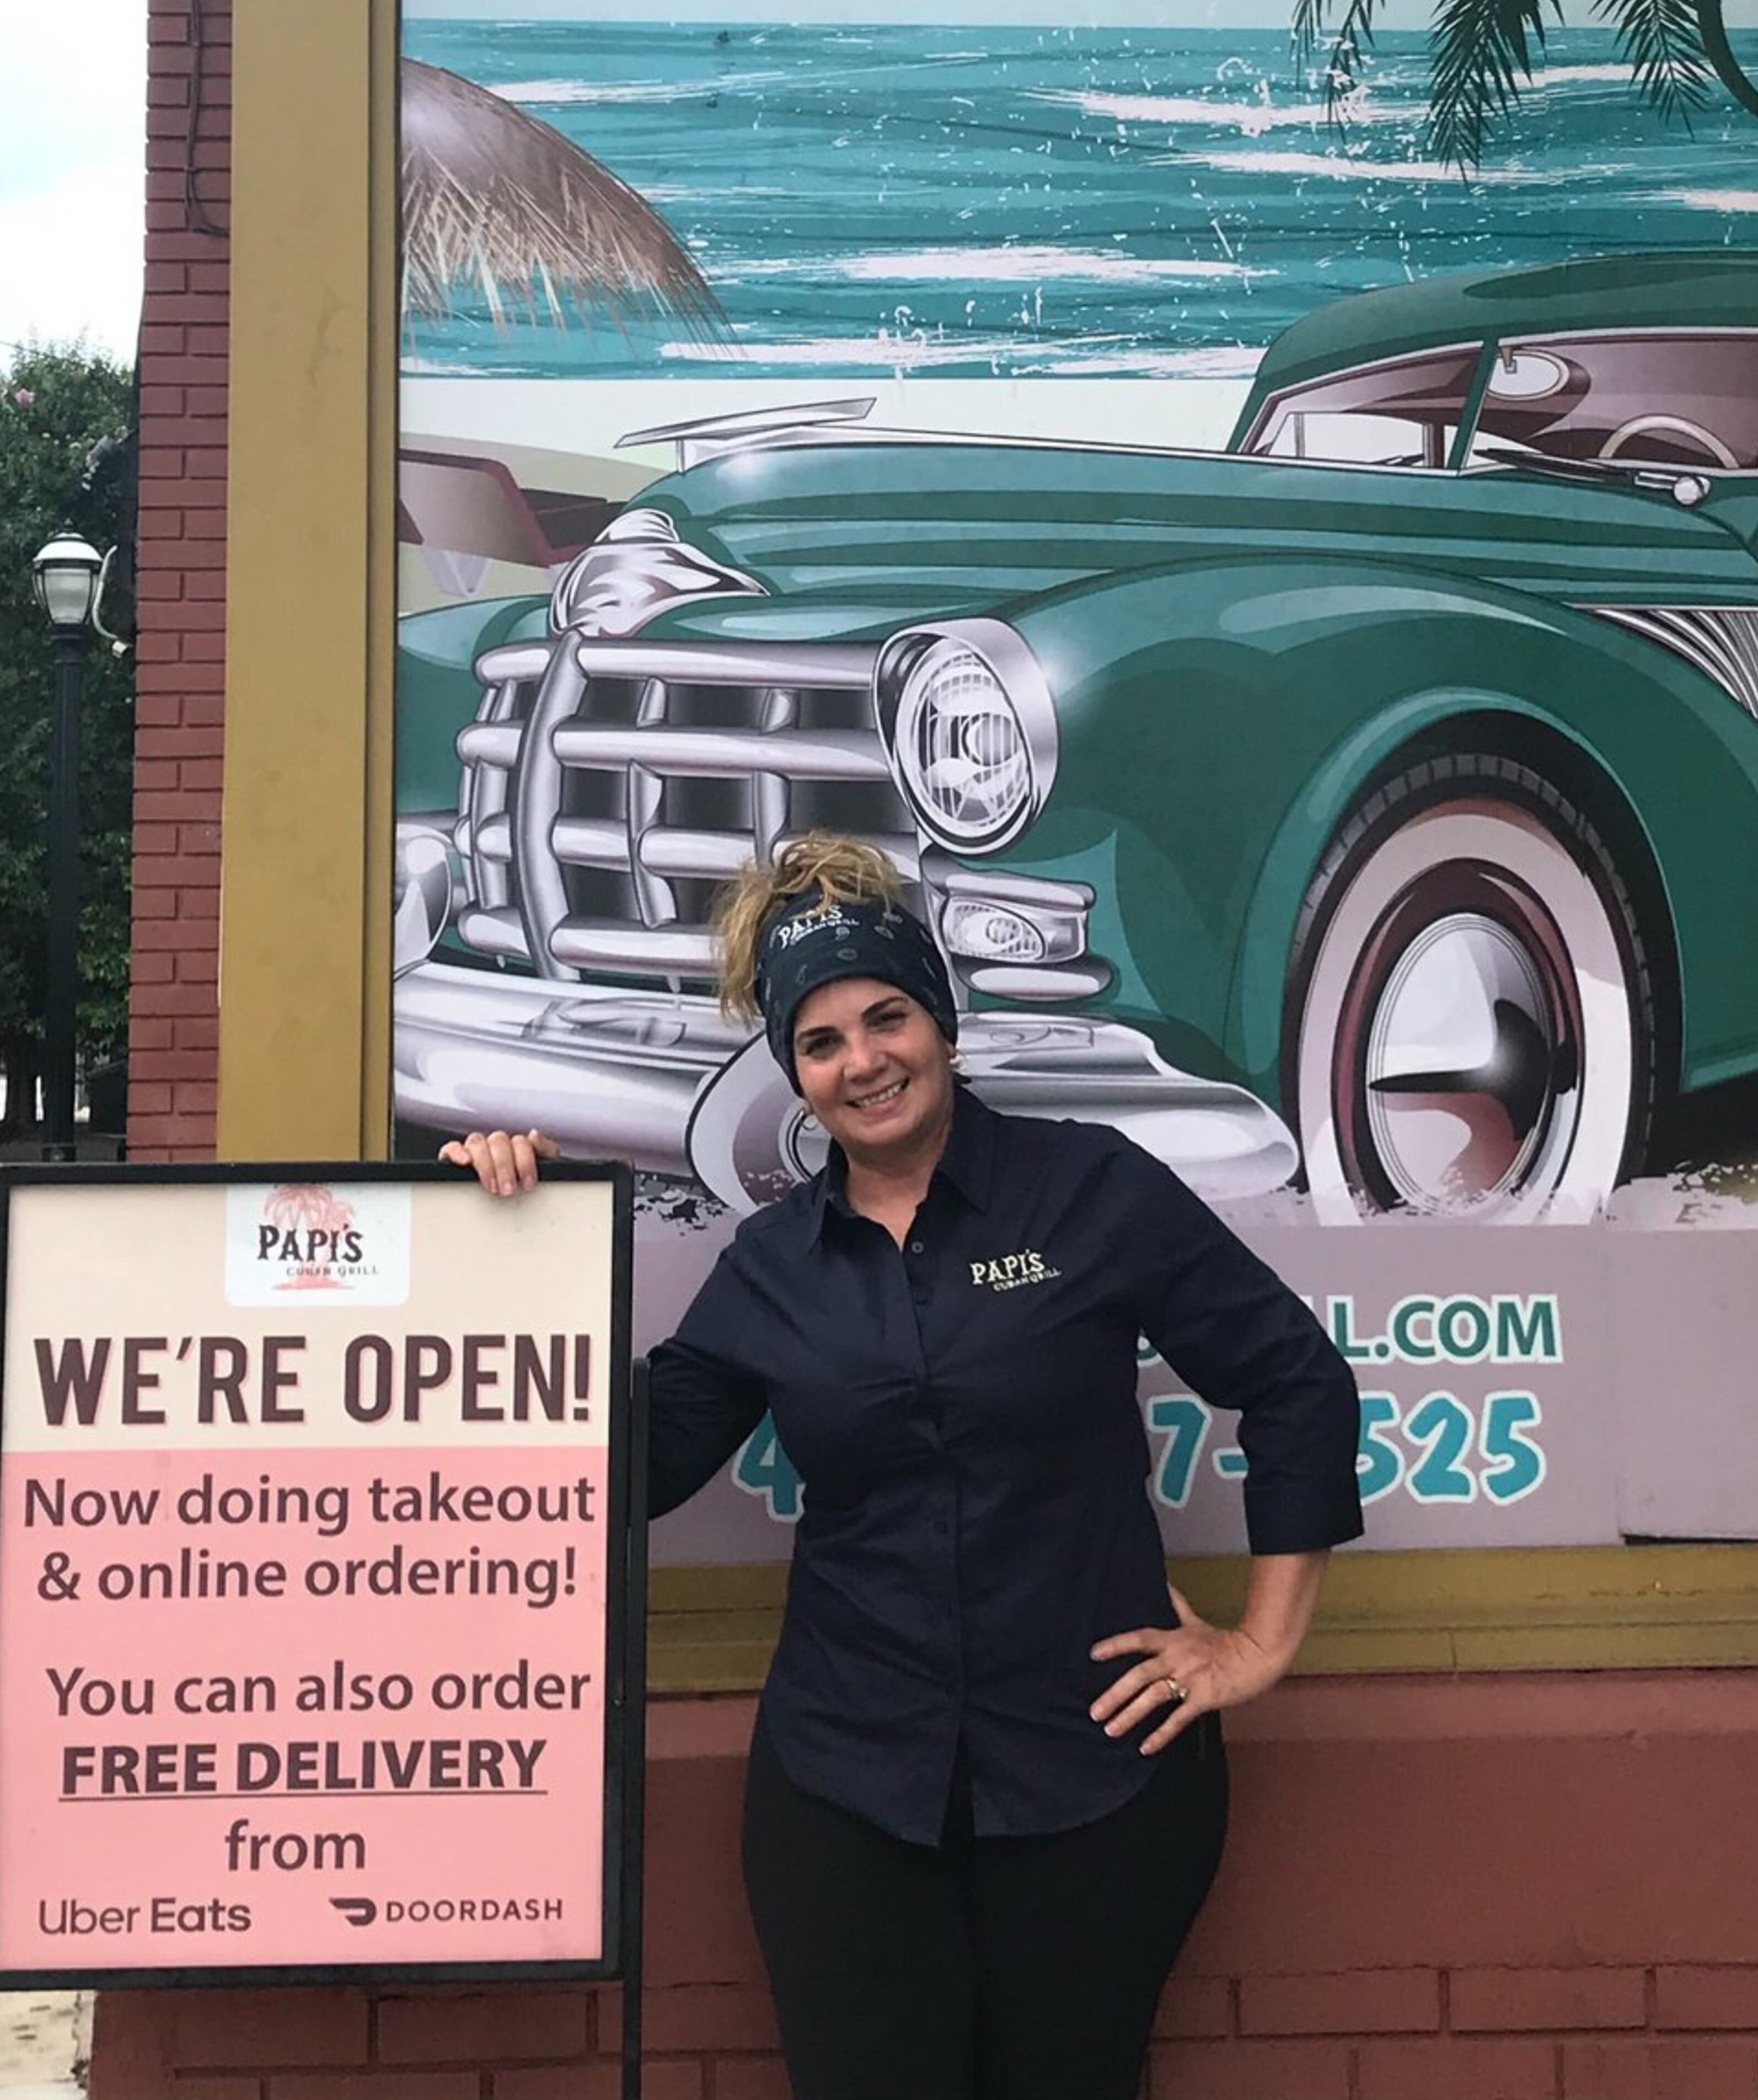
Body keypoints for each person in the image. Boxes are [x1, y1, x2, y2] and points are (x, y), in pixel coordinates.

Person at [443, 831, 1362, 2100]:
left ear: (940, 1016)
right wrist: (508, 1254)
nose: (863, 1061)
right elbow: (631, 1466)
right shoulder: (772, 1263)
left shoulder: (1091, 1190)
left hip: (1096, 1779)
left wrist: (1260, 1644)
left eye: (887, 1018)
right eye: (821, 1043)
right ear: (794, 1074)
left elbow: (1296, 1380)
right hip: (847, 1789)